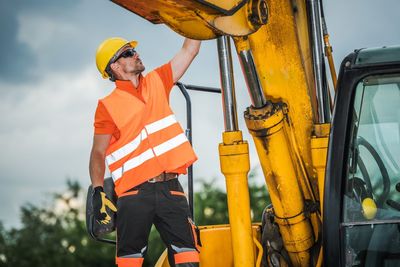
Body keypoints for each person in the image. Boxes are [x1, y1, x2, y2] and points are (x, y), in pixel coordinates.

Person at [89, 36, 201, 267]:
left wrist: (197, 17)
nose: (136, 54)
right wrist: (98, 190)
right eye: (128, 53)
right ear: (115, 66)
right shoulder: (107, 106)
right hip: (133, 194)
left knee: (188, 257)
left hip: (171, 188)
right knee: (130, 261)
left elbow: (190, 49)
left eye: (133, 51)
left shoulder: (158, 81)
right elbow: (98, 153)